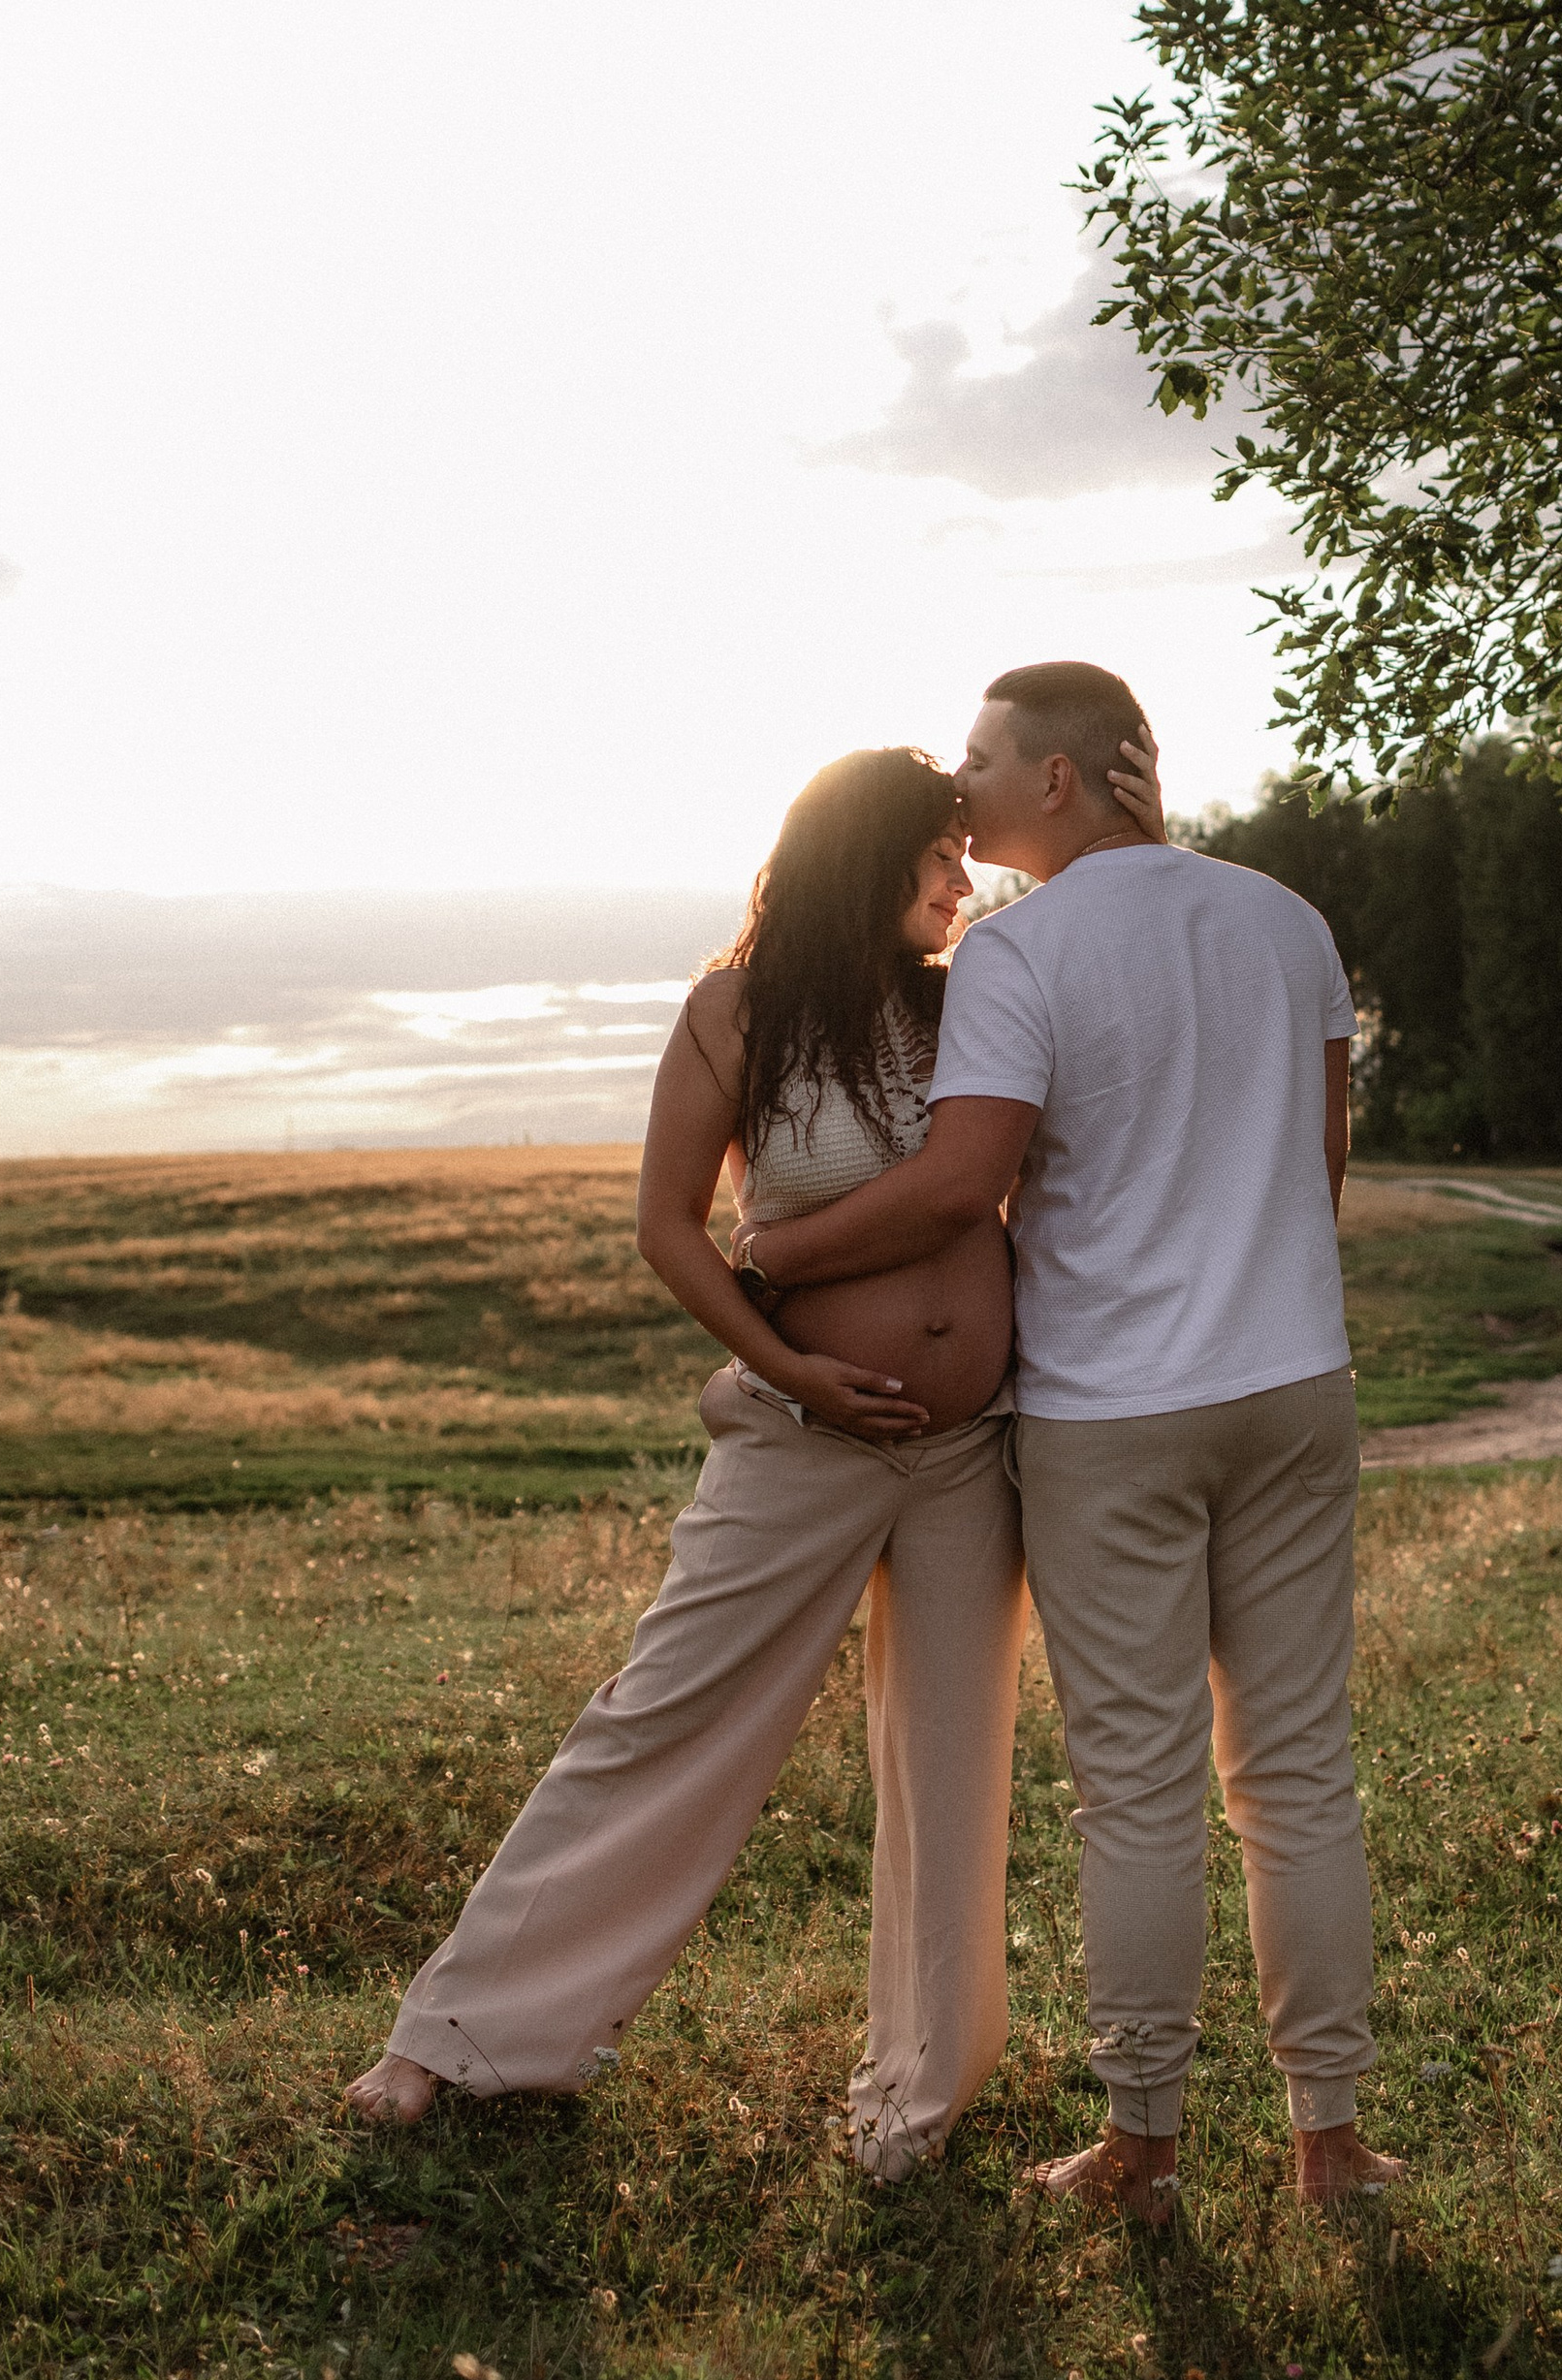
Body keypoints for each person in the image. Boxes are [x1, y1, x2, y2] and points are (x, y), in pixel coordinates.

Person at [342, 742, 1098, 2173]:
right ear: (861, 856)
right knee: (665, 1717)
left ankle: (916, 2104)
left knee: (951, 1768)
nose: (962, 878)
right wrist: (790, 1363)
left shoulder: (973, 1002)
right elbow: (671, 1227)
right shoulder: (733, 1013)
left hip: (963, 1452)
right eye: (937, 853)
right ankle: (449, 2039)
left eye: (965, 854)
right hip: (803, 1433)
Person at [736, 661, 1404, 2218]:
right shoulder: (1286, 921)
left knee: (1141, 1790)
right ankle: (1329, 2143)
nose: (956, 789)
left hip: (1113, 1418)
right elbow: (1317, 1169)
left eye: (980, 758)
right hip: (1296, 1387)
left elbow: (965, 1183)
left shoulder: (1017, 952)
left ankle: (1143, 2150)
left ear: (1067, 776)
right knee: (1299, 1773)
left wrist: (772, 1261)